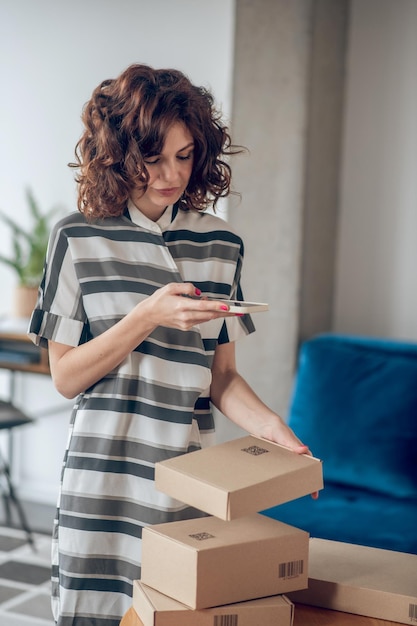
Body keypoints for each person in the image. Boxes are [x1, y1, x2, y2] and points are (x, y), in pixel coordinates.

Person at [28, 63, 312, 626]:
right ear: (118, 154)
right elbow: (65, 378)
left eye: (184, 156)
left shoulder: (221, 245)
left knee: (176, 614)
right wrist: (148, 314)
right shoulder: (77, 239)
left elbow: (223, 377)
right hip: (103, 476)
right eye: (153, 159)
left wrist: (272, 427)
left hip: (187, 477)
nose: (171, 174)